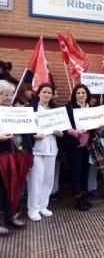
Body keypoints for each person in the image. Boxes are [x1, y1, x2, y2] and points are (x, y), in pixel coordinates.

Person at [0, 80, 32, 235]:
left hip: (14, 154)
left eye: (10, 94)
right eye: (4, 94)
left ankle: (9, 217)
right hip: (1, 156)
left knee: (12, 189)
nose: (8, 97)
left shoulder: (13, 110)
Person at [27, 83, 63, 221]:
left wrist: (59, 132)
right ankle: (33, 209)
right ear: (39, 93)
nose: (47, 94)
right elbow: (25, 130)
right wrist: (33, 136)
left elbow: (62, 132)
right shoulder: (31, 108)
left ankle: (43, 206)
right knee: (36, 179)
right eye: (44, 92)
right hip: (37, 148)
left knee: (48, 179)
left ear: (52, 94)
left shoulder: (55, 110)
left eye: (49, 92)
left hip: (52, 148)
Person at [64, 84, 96, 211]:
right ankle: (77, 199)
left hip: (87, 145)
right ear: (74, 95)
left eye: (83, 92)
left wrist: (98, 126)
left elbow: (94, 124)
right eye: (78, 93)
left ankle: (83, 196)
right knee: (76, 171)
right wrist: (75, 132)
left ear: (87, 94)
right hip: (75, 145)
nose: (81, 95)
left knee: (85, 171)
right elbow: (64, 126)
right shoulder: (69, 108)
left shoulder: (91, 108)